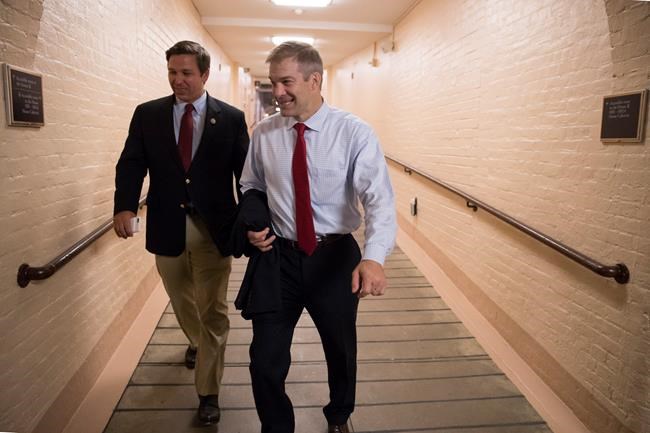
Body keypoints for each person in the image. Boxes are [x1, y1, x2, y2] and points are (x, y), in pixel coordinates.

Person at [240, 41, 396, 433]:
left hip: (335, 258)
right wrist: (254, 222)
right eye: (274, 82)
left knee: (340, 349)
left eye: (286, 82)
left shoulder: (354, 133)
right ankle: (277, 427)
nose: (277, 92)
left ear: (314, 80)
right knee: (264, 359)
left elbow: (378, 199)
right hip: (279, 259)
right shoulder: (265, 133)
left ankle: (339, 416)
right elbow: (251, 184)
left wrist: (374, 257)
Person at [113, 40, 249, 425]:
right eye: (173, 72)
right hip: (167, 224)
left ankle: (208, 393)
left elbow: (247, 175)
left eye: (187, 73)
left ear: (204, 74)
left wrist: (250, 222)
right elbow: (132, 163)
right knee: (179, 296)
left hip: (213, 229)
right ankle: (196, 340)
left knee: (214, 309)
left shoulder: (231, 118)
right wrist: (124, 205)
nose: (178, 80)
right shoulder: (148, 114)